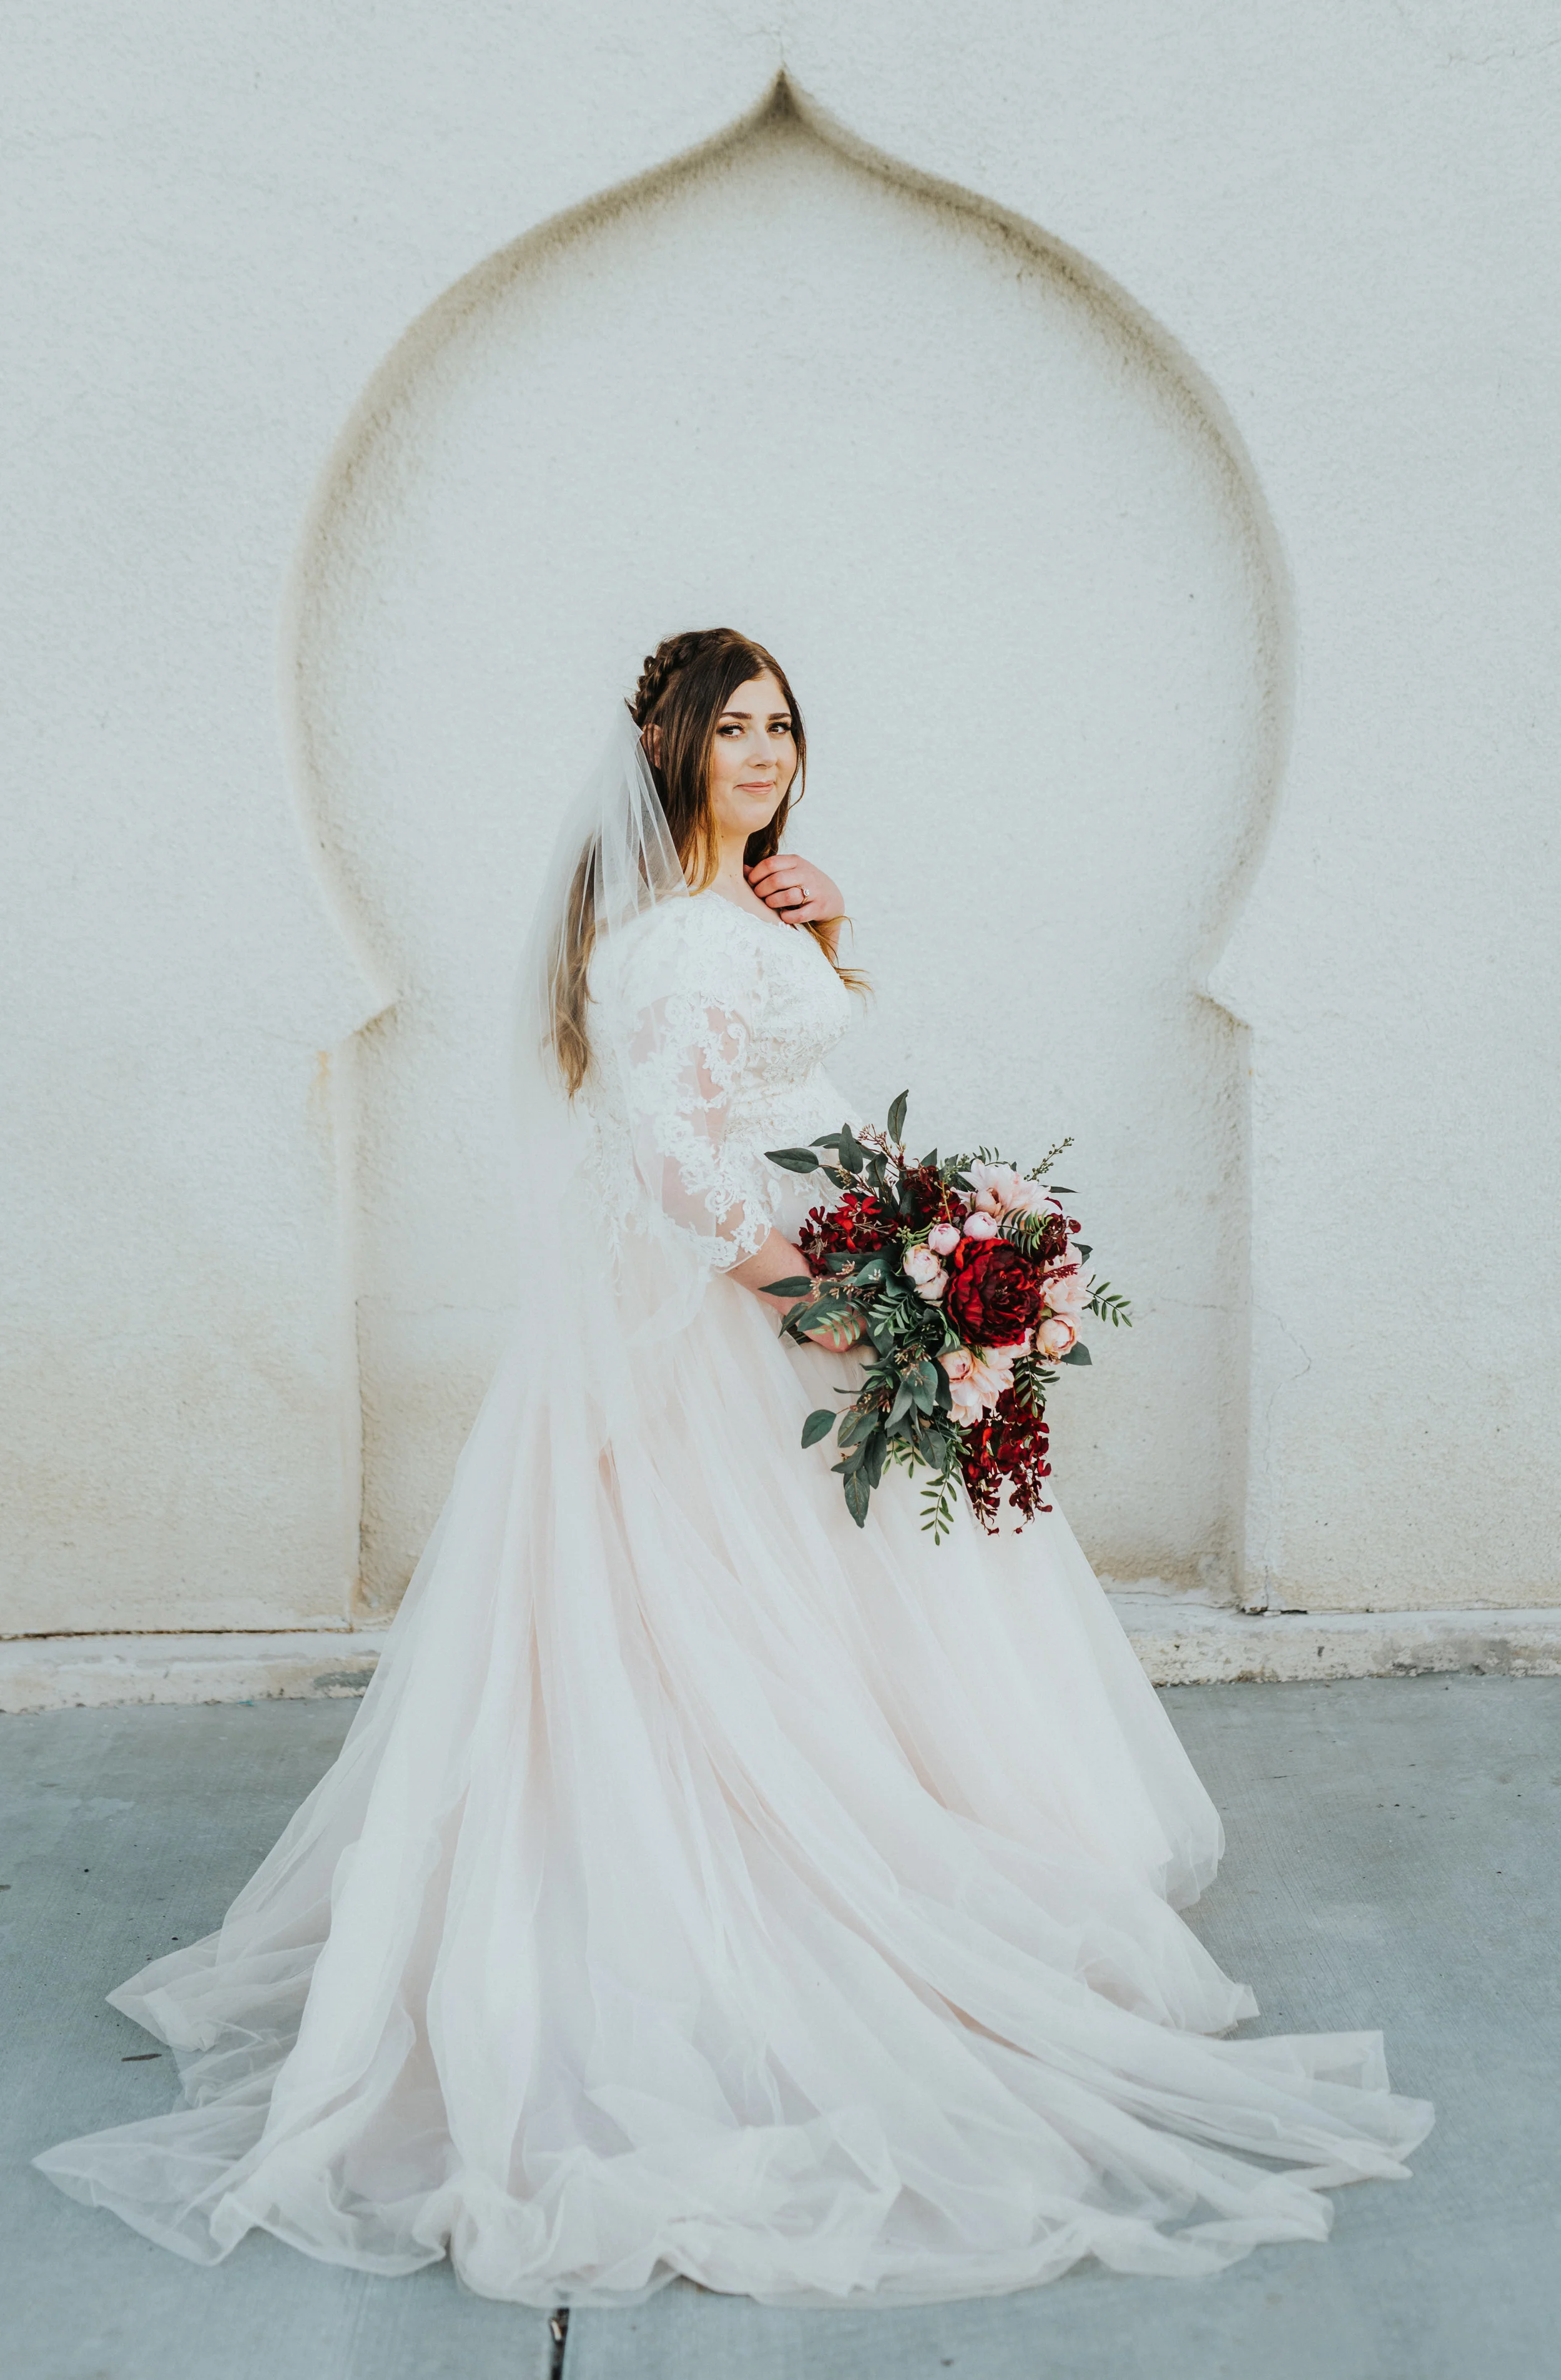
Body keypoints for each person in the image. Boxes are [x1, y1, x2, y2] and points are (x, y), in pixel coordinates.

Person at [37, 627, 1431, 2306]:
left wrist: (831, 945)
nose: (763, 752)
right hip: (757, 1321)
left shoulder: (730, 918)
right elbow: (688, 1175)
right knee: (740, 1623)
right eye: (733, 728)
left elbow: (783, 1091)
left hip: (806, 1285)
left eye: (781, 725)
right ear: (670, 745)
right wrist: (843, 1309)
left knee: (845, 1616)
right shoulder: (670, 949)